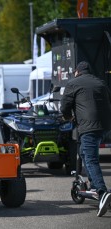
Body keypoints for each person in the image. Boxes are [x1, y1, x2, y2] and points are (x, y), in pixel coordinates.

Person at [60, 61, 111, 217]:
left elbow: (64, 107)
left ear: (77, 72)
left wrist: (68, 117)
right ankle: (94, 186)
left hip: (89, 127)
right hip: (105, 126)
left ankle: (102, 193)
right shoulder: (100, 82)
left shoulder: (73, 83)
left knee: (90, 159)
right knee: (83, 153)